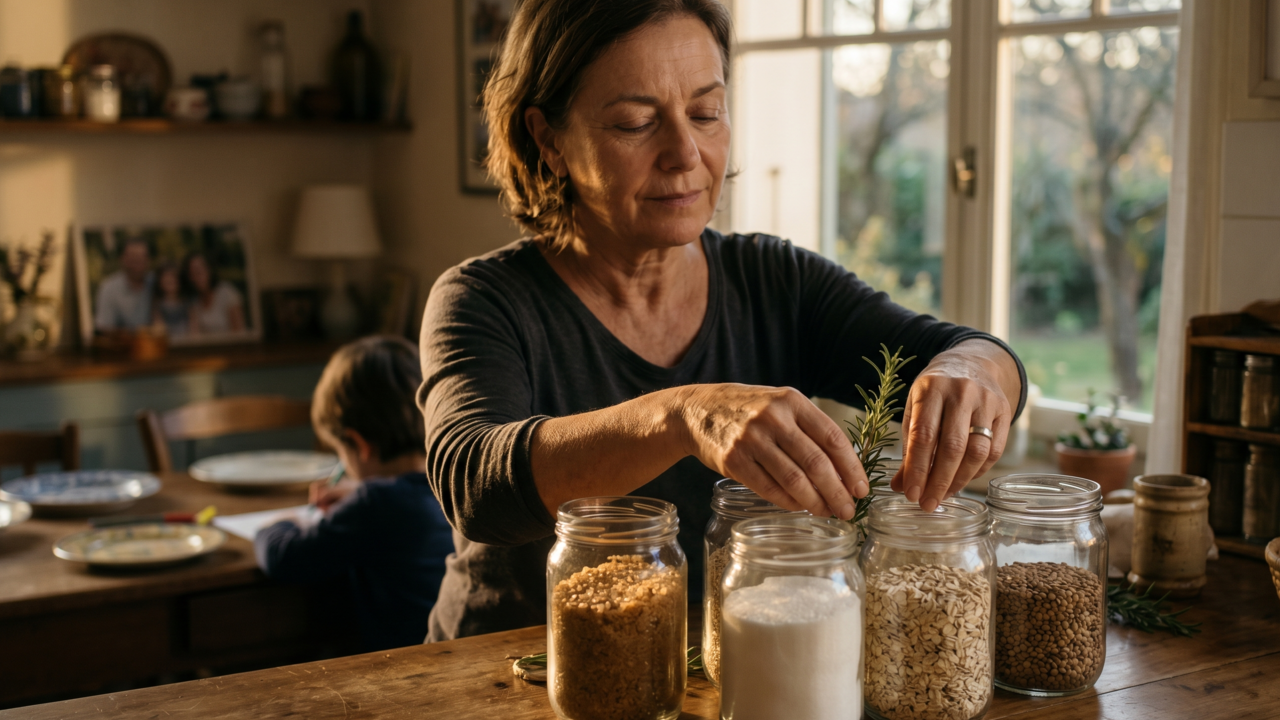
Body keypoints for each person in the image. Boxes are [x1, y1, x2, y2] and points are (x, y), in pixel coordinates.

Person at [418, 0, 1027, 641]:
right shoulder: (480, 300)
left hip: (717, 671)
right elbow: (475, 484)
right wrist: (683, 416)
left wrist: (973, 367)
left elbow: (972, 352)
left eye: (706, 112)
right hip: (505, 672)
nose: (685, 152)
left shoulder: (776, 281)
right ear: (550, 141)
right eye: (634, 122)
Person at [255, 336, 455, 652]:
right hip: (450, 653)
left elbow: (286, 558)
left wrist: (278, 524)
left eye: (340, 452)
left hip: (399, 670)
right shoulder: (451, 484)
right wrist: (361, 489)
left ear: (359, 444)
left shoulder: (376, 504)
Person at [94, 237, 153, 331]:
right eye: (133, 258)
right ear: (122, 259)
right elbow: (105, 329)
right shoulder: (109, 289)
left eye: (142, 258)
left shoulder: (156, 283)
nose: (138, 262)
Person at [182, 251, 246, 335]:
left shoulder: (227, 292)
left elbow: (240, 332)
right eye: (192, 274)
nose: (196, 277)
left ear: (209, 269)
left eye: (199, 271)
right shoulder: (195, 303)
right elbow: (195, 336)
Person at [149, 264, 189, 337]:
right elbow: (159, 331)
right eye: (166, 276)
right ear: (160, 282)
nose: (169, 279)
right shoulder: (157, 306)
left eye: (173, 276)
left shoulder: (187, 303)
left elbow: (195, 331)